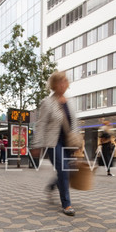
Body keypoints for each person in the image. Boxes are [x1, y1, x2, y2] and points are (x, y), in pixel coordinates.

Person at [31, 71, 81, 216]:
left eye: (65, 81)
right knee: (64, 169)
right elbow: (41, 124)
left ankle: (52, 186)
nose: (63, 84)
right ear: (54, 85)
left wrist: (78, 141)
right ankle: (67, 204)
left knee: (69, 170)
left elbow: (75, 123)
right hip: (53, 142)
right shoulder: (48, 102)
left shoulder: (70, 101)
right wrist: (37, 145)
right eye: (59, 82)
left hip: (68, 142)